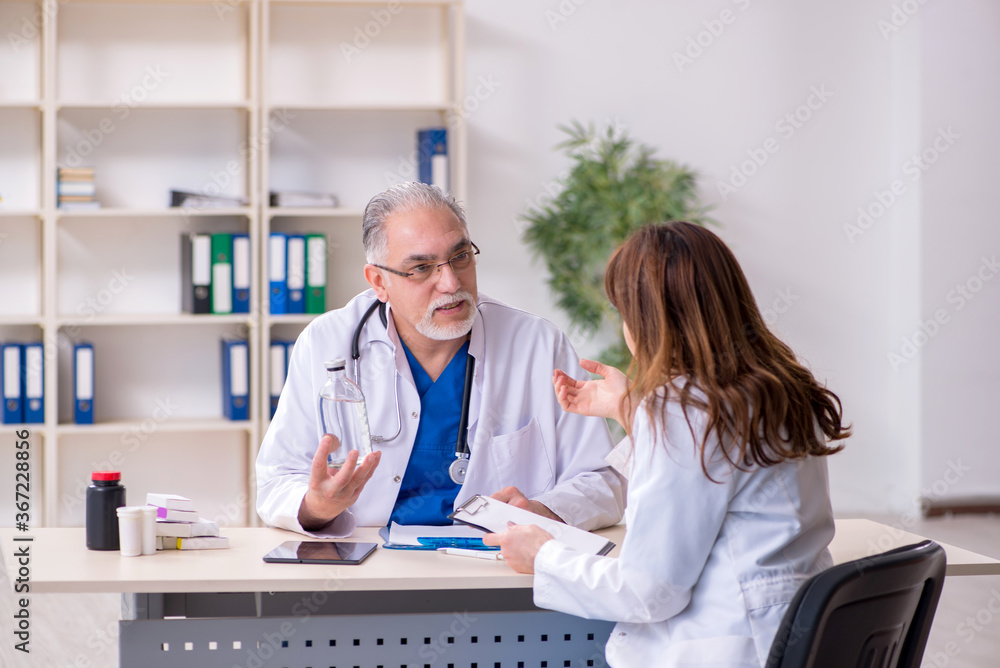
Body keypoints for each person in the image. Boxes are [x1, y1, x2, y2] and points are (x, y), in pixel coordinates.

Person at [484, 221, 850, 667]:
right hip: (797, 640)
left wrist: (543, 554)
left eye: (624, 314)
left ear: (648, 320)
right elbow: (715, 485)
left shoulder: (684, 411)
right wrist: (631, 414)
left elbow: (649, 591)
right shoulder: (779, 385)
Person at [256, 181, 625, 537]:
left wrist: (544, 510)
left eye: (460, 257)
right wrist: (317, 507)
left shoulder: (537, 345)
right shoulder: (325, 344)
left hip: (499, 565)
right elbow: (276, 480)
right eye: (421, 268)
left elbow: (604, 480)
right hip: (368, 567)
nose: (450, 283)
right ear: (379, 282)